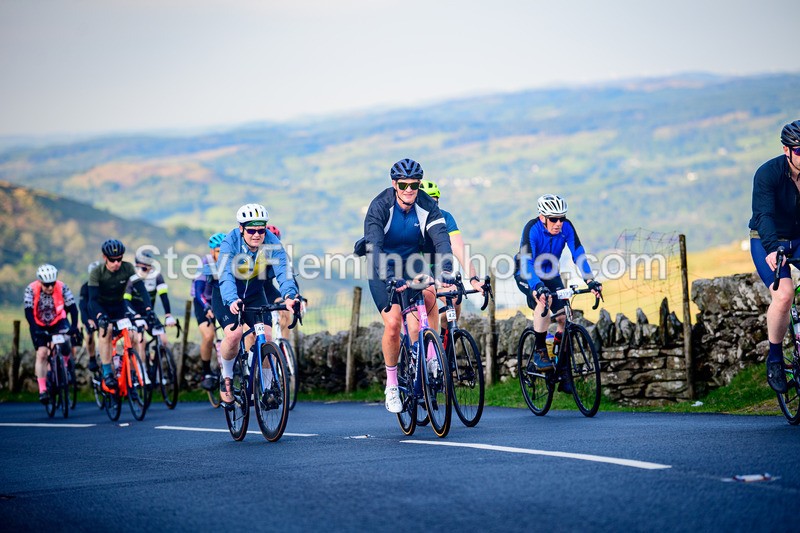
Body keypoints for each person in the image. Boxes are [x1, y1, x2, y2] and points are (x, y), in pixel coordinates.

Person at [362, 159, 454, 413]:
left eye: (414, 184)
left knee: (430, 293)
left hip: (412, 262)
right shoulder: (380, 206)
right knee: (393, 324)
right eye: (403, 184)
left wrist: (445, 270)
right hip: (382, 266)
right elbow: (375, 247)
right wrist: (391, 277)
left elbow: (441, 241)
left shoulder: (426, 205)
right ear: (394, 184)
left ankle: (432, 357)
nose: (409, 189)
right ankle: (392, 384)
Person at [214, 204, 300, 405]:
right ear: (241, 228)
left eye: (261, 230)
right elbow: (225, 274)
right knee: (235, 335)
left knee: (266, 337)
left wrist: (289, 296)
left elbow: (283, 270)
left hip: (254, 292)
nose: (256, 235)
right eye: (251, 230)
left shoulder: (271, 241)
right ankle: (226, 377)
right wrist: (231, 299)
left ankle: (268, 389)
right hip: (227, 293)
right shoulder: (230, 243)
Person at [514, 194, 601, 392]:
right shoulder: (532, 228)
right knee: (542, 302)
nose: (558, 223)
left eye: (561, 218)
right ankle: (540, 350)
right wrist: (537, 287)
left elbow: (578, 253)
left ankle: (563, 372)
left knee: (563, 317)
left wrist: (590, 280)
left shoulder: (566, 227)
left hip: (550, 273)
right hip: (526, 273)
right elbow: (527, 262)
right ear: (542, 217)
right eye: (554, 219)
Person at [749, 120, 800, 393]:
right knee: (783, 295)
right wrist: (771, 248)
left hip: (799, 239)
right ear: (787, 151)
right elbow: (764, 215)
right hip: (768, 240)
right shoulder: (768, 174)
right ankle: (776, 358)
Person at [88, 239, 153, 390]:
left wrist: (149, 309)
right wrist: (99, 316)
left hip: (119, 306)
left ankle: (132, 373)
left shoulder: (128, 268)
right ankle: (107, 372)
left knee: (132, 334)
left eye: (119, 259)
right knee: (107, 331)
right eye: (112, 260)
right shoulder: (97, 272)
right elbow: (92, 300)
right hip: (102, 307)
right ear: (105, 257)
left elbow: (142, 289)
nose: (116, 263)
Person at [419, 179, 484, 319]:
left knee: (454, 300)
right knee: (427, 302)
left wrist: (474, 279)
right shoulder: (411, 219)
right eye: (425, 203)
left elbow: (460, 250)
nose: (430, 207)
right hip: (415, 269)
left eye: (433, 202)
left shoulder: (445, 217)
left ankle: (445, 338)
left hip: (438, 268)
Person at [23, 264, 80, 403]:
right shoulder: (31, 289)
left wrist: (73, 326)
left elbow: (73, 308)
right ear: (40, 282)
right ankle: (43, 390)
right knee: (42, 353)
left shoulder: (62, 287)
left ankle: (65, 366)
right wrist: (35, 328)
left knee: (66, 340)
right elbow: (28, 312)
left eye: (52, 284)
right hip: (38, 323)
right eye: (46, 285)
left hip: (58, 321)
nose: (49, 288)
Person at [125, 250, 176, 362]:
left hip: (148, 313)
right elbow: (126, 301)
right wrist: (136, 316)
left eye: (150, 267)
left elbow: (164, 296)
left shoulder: (157, 276)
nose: (148, 270)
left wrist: (168, 315)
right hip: (134, 315)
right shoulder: (132, 279)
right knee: (140, 341)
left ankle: (156, 368)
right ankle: (143, 372)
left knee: (163, 340)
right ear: (137, 267)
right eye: (144, 268)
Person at [194, 232, 224, 391]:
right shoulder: (205, 263)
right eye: (218, 251)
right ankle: (206, 372)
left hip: (220, 299)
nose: (221, 254)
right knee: (209, 335)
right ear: (212, 251)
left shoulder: (229, 261)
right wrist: (206, 307)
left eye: (223, 250)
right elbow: (198, 291)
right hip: (202, 301)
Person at [79, 260, 102, 372]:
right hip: (90, 316)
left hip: (102, 314)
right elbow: (82, 306)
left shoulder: (105, 286)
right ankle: (92, 358)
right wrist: (87, 320)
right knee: (90, 335)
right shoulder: (85, 287)